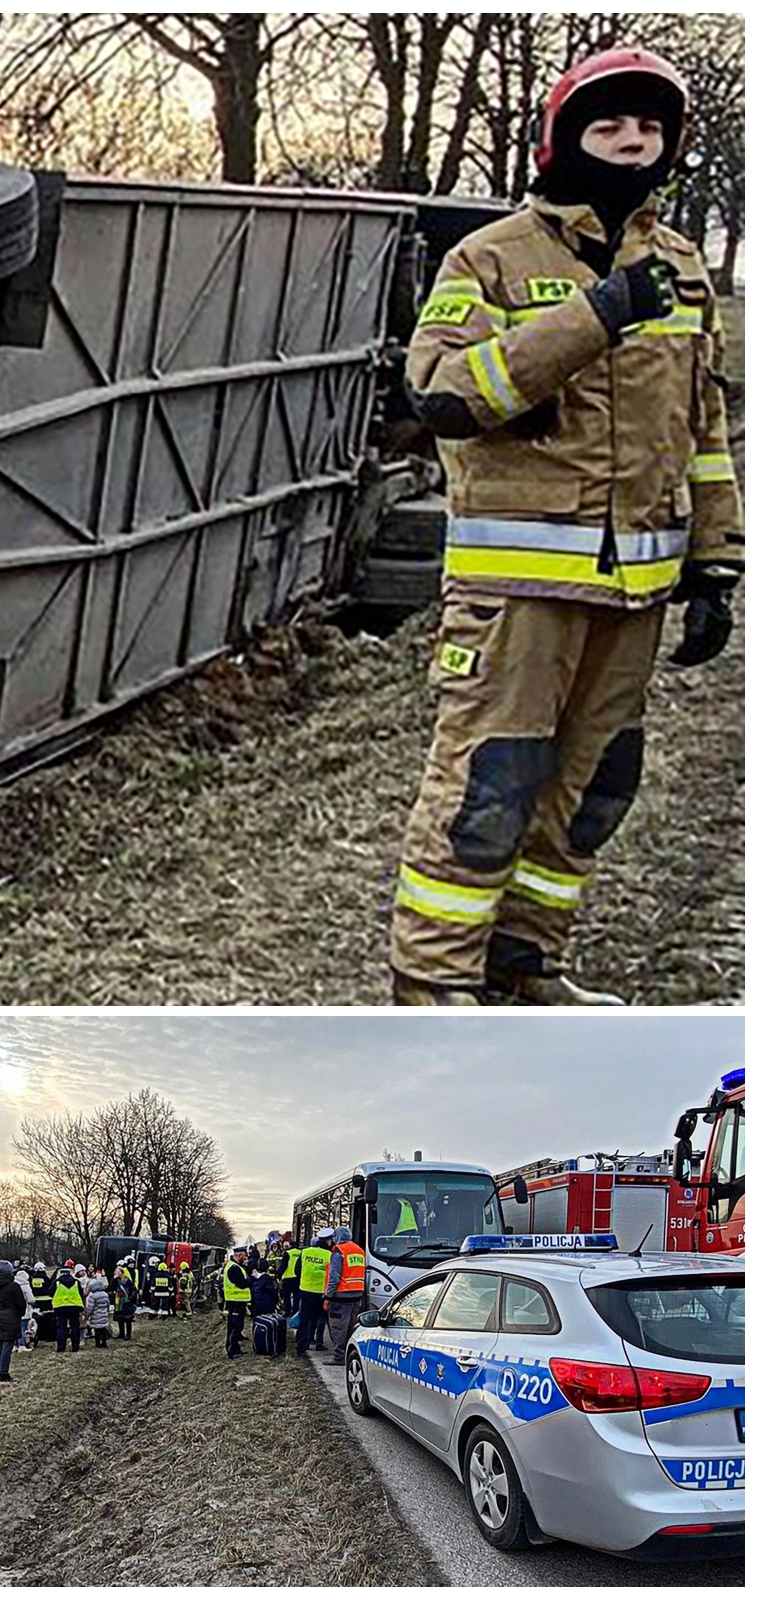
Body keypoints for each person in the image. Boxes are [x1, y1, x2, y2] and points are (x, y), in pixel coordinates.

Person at [391, 48, 740, 1006]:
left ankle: (526, 964)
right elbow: (443, 392)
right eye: (609, 127)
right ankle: (433, 990)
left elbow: (702, 429)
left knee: (590, 791)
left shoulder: (678, 269)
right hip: (519, 594)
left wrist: (717, 563)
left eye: (650, 129)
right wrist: (593, 318)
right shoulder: (493, 257)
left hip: (637, 592)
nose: (633, 144)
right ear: (564, 142)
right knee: (486, 789)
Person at [324, 1225, 369, 1367]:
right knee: (350, 1327)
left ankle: (338, 1357)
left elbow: (334, 1277)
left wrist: (327, 1295)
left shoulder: (339, 1252)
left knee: (337, 1328)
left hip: (340, 1296)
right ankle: (350, 1355)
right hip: (357, 1295)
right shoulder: (359, 1251)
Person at [294, 1229, 335, 1355]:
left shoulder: (305, 1252)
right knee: (321, 1318)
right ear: (328, 1241)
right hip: (322, 1292)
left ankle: (302, 1346)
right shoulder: (329, 1255)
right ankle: (319, 1342)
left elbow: (297, 1270)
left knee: (305, 1318)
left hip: (306, 1290)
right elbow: (332, 1274)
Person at [0, 1261, 27, 1382]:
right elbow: (21, 1303)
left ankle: (0, 1371)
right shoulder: (14, 1286)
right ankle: (4, 1373)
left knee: (0, 1346)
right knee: (7, 1346)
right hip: (12, 1317)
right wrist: (20, 1313)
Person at [249, 1254, 286, 1358]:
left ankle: (258, 1341)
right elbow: (271, 1291)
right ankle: (269, 1341)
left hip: (256, 1304)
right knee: (269, 1321)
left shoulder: (253, 1278)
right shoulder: (266, 1278)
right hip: (267, 1303)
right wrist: (277, 1299)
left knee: (258, 1322)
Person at [221, 1250, 252, 1359]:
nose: (246, 1258)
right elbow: (242, 1284)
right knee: (233, 1327)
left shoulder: (235, 1266)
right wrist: (252, 1279)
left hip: (237, 1301)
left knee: (238, 1325)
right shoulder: (234, 1268)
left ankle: (235, 1347)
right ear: (239, 1255)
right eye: (245, 1256)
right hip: (235, 1301)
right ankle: (232, 1350)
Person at [49, 1259, 84, 1352]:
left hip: (60, 1307)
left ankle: (61, 1348)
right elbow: (81, 1293)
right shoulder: (76, 1282)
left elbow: (50, 1292)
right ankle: (75, 1347)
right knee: (75, 1327)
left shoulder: (57, 1282)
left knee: (62, 1328)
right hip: (74, 1307)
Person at [83, 1267, 111, 1350]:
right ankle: (104, 1343)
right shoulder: (105, 1294)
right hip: (104, 1315)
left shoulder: (92, 1296)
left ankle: (98, 1343)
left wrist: (87, 1316)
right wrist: (107, 1311)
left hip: (96, 1316)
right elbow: (108, 1304)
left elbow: (90, 1308)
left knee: (97, 1331)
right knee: (103, 1330)